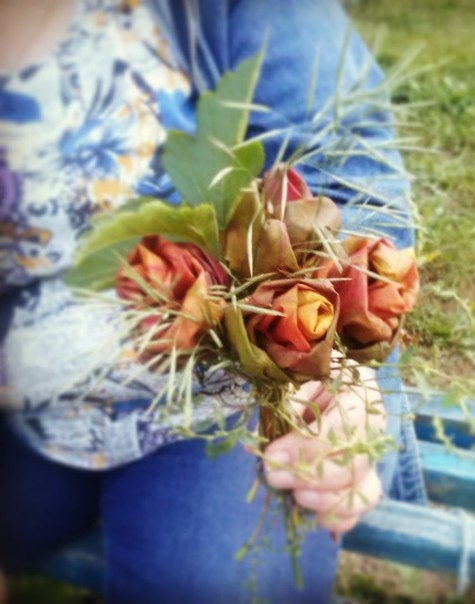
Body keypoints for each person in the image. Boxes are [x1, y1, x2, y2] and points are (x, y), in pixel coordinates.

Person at [0, 1, 426, 602]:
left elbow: (346, 167)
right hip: (25, 398)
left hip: (233, 377)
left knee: (213, 584)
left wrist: (336, 365)